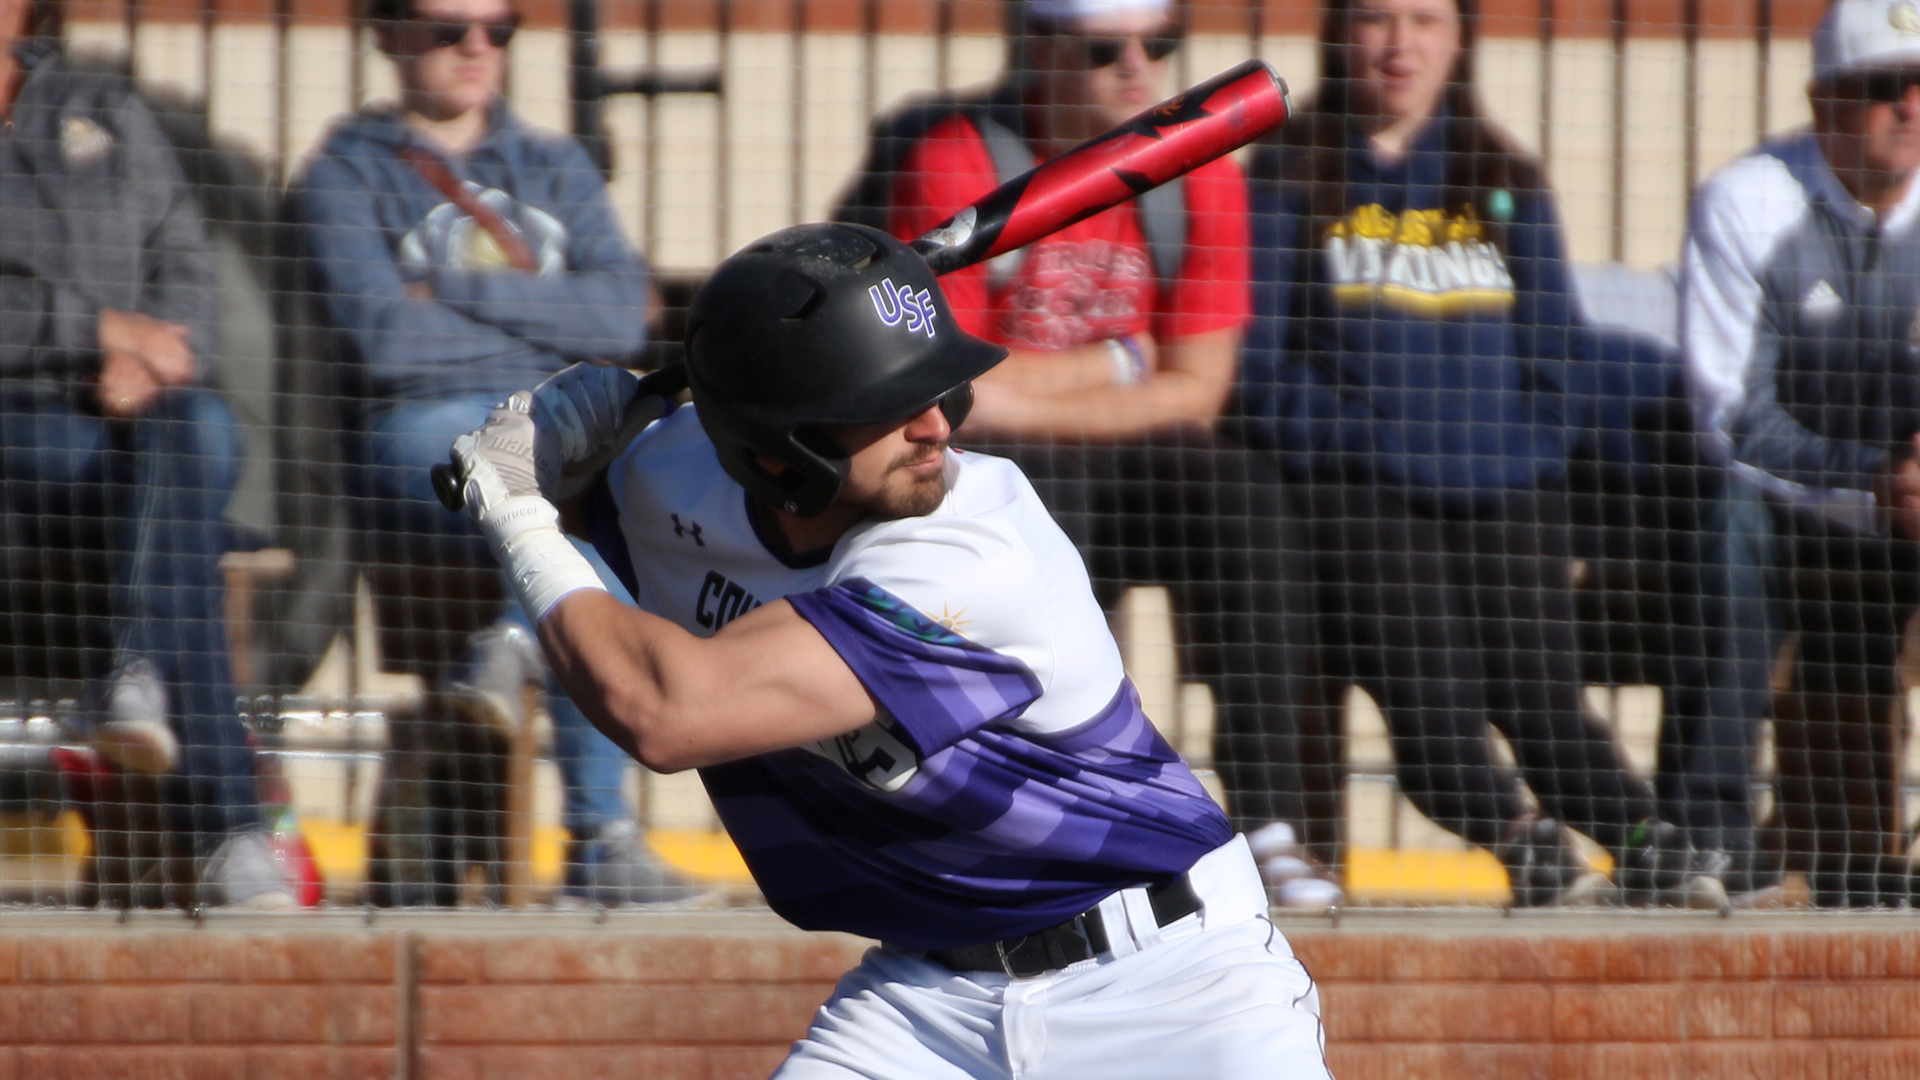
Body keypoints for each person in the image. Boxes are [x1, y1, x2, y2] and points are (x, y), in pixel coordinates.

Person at [447, 221, 1332, 1079]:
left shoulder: (971, 549)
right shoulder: (668, 474)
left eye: (940, 390)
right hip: (927, 1000)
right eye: (886, 406)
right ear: (778, 455)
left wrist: (517, 504)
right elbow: (576, 547)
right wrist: (565, 436)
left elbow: (669, 712)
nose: (938, 428)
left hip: (1168, 987)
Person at [1235, 0, 1719, 907]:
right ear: (1341, 34)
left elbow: (1560, 349)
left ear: (1458, 38)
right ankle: (1529, 849)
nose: (1399, 43)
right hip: (1364, 492)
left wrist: (1532, 440)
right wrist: (1364, 440)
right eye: (1376, 19)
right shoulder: (1290, 177)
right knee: (1436, 724)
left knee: (1547, 708)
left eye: (1424, 19)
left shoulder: (1507, 179)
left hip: (1512, 486)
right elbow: (1258, 367)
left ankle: (1656, 850)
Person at [857, 0, 1335, 906]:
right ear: (1039, 49)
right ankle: (1047, 811)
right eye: (1104, 49)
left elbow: (1202, 389)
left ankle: (1268, 822)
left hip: (1137, 453)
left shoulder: (1197, 176)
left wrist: (1041, 386)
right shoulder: (962, 159)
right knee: (1031, 520)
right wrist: (1116, 360)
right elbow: (953, 388)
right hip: (1008, 455)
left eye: (1160, 45)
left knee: (1249, 505)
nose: (1138, 69)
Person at [291, 0, 694, 904]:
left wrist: (448, 289)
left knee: (603, 491)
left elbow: (626, 313)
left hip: (558, 426)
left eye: (499, 29)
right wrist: (538, 320)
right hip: (420, 438)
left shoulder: (554, 164)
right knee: (549, 497)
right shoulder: (343, 175)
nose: (476, 49)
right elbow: (387, 341)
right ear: (388, 34)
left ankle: (516, 642)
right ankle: (604, 838)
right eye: (448, 29)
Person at [0, 0, 291, 906]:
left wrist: (156, 354)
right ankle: (230, 834)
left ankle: (133, 671)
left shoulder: (96, 100)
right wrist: (94, 334)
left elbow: (184, 251)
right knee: (187, 528)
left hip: (141, 416)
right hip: (18, 419)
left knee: (198, 431)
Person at [1682, 0, 1920, 907]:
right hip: (1787, 510)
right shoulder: (1750, 201)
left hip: (1904, 510)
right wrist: (1872, 487)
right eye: (1878, 87)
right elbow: (1730, 421)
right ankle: (1710, 831)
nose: (1906, 105)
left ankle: (1866, 853)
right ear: (1822, 103)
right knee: (1729, 519)